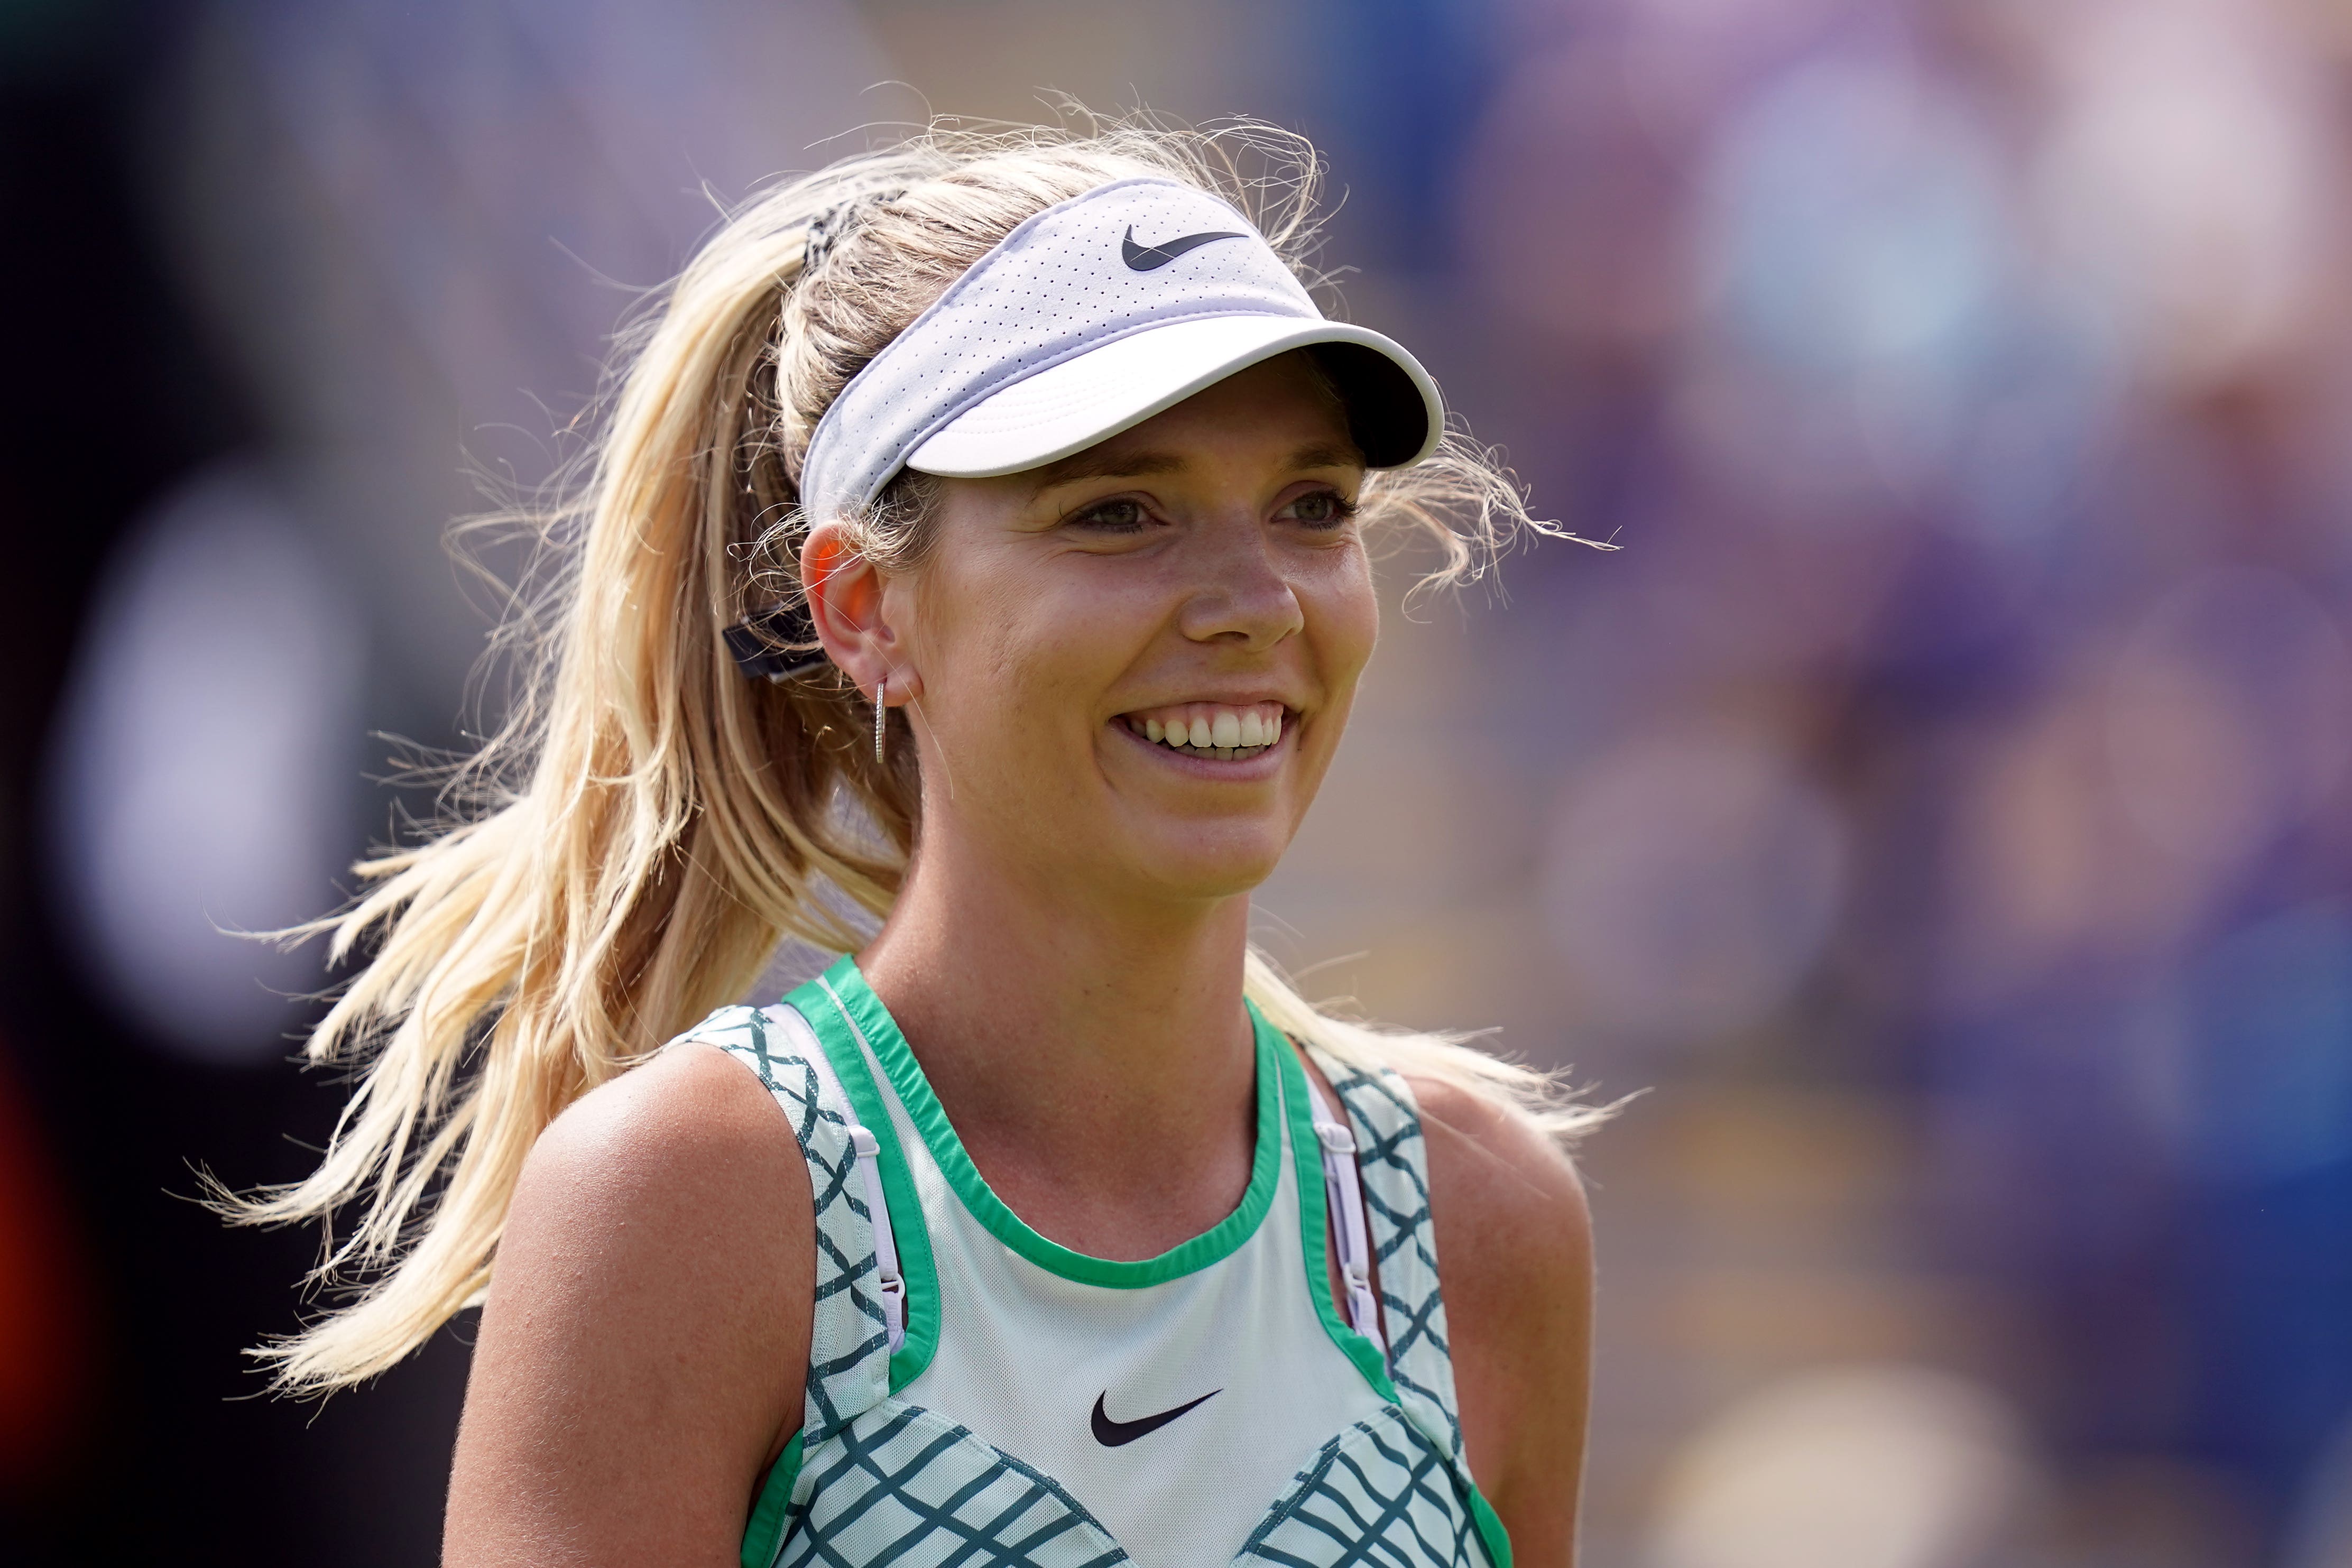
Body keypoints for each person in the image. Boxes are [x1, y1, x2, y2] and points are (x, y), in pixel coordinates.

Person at [227, 117, 1604, 1567]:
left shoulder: (1479, 1216)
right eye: (1118, 511)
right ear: (862, 609)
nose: (1254, 601)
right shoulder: (688, 1199)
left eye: (1310, 508)